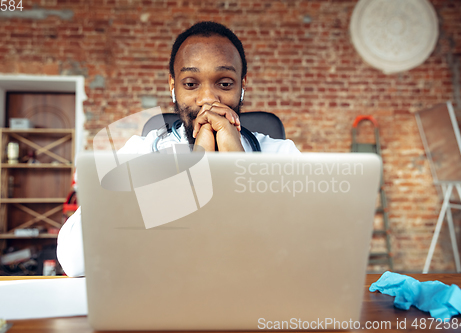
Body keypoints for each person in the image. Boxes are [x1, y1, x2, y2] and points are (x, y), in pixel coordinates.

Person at [57, 21, 300, 277]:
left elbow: (310, 251)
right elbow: (75, 260)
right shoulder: (139, 152)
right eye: (191, 84)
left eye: (225, 84)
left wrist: (238, 167)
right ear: (173, 86)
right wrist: (195, 171)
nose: (207, 98)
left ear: (243, 85)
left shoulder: (281, 155)